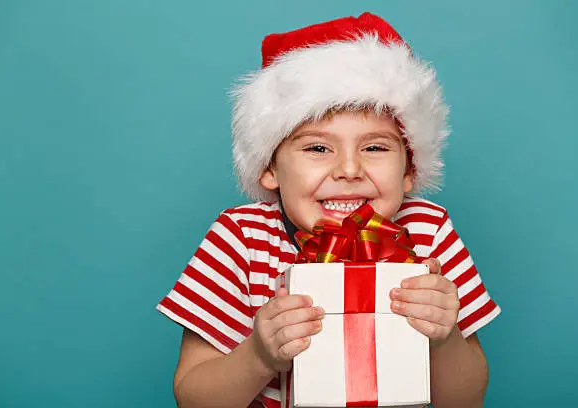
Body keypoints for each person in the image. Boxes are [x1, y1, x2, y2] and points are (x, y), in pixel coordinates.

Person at [157, 12, 500, 408]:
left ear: (410, 169)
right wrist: (259, 357)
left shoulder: (429, 231)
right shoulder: (241, 238)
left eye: (375, 148)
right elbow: (192, 397)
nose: (350, 170)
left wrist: (445, 338)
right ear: (268, 167)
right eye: (318, 148)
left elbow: (467, 399)